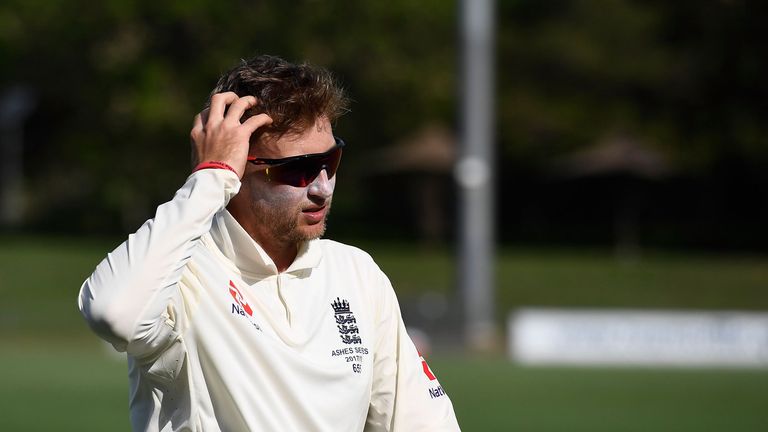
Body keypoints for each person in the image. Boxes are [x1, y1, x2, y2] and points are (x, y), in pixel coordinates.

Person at [78, 54, 461, 431]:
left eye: (331, 160)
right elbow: (114, 313)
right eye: (299, 169)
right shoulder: (181, 270)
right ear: (236, 168)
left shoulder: (357, 272)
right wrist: (210, 178)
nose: (322, 187)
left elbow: (426, 423)